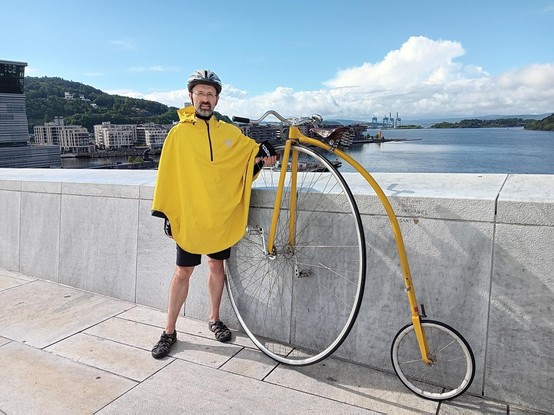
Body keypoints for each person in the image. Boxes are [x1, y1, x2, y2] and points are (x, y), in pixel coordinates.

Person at [150, 69, 277, 359]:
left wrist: (264, 153)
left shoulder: (229, 133)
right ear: (191, 96)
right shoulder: (178, 133)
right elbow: (168, 174)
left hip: (219, 214)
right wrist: (168, 213)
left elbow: (248, 158)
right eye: (200, 93)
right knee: (183, 272)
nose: (205, 99)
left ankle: (214, 318)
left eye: (210, 94)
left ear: (217, 99)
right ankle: (169, 331)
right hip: (191, 214)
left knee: (216, 268)